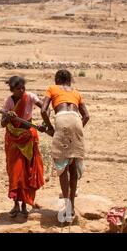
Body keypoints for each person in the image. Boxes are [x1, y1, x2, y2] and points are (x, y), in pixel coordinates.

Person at [41, 69, 90, 219]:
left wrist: (50, 127)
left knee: (62, 168)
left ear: (57, 80)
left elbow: (44, 110)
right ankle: (73, 207)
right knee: (73, 165)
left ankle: (67, 207)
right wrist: (78, 128)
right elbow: (87, 116)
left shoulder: (52, 89)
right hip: (76, 120)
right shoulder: (76, 92)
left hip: (61, 119)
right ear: (70, 81)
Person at [1, 76, 45, 218]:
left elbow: (45, 108)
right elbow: (2, 123)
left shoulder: (31, 97)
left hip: (28, 138)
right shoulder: (9, 101)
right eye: (18, 89)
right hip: (13, 141)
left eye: (23, 88)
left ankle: (25, 205)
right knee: (15, 172)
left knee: (27, 172)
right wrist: (8, 116)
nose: (21, 91)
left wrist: (44, 123)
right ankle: (15, 205)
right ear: (12, 90)